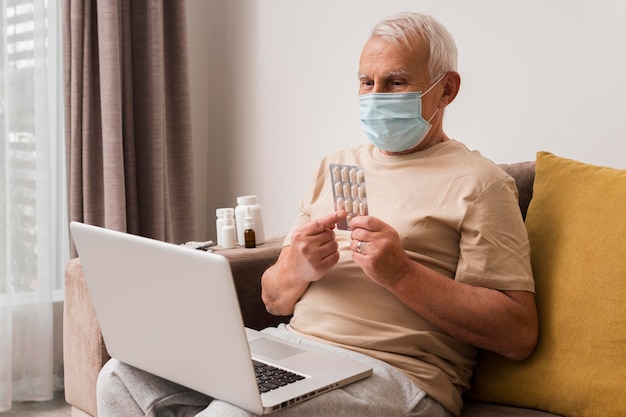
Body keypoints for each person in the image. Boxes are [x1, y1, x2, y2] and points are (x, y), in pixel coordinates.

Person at [96, 11, 538, 417]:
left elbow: (517, 335)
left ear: (447, 88)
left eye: (396, 82)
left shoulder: (480, 183)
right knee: (122, 375)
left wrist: (401, 274)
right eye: (367, 82)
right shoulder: (334, 166)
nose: (376, 96)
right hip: (293, 349)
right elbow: (274, 300)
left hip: (398, 376)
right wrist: (295, 266)